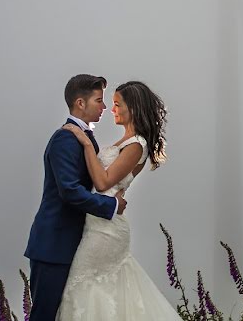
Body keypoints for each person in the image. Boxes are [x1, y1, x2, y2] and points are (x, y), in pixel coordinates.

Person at [55, 80, 182, 320]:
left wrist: (85, 143)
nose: (111, 109)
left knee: (81, 286)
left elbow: (103, 183)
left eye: (116, 104)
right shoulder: (125, 142)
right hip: (97, 224)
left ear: (132, 108)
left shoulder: (137, 145)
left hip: (107, 230)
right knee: (91, 290)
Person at [25, 74, 128, 321]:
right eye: (98, 100)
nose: (104, 107)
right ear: (80, 103)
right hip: (54, 245)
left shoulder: (83, 138)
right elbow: (69, 190)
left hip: (75, 243)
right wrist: (111, 205)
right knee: (45, 316)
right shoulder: (64, 138)